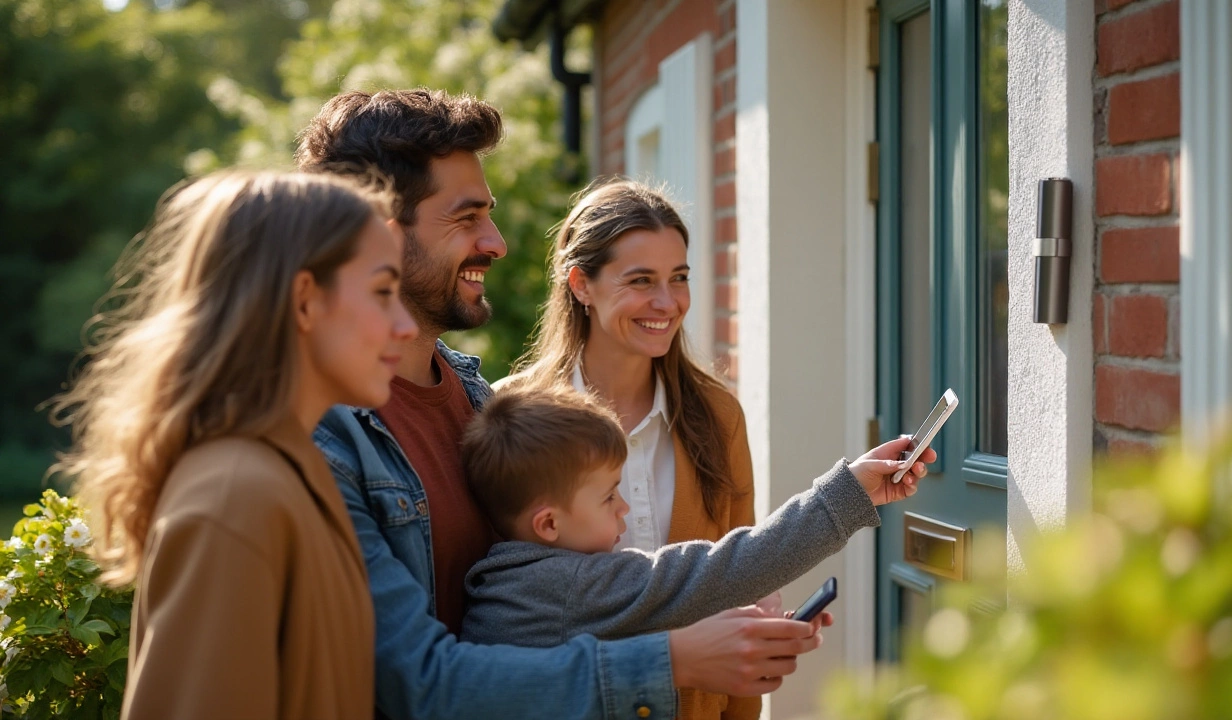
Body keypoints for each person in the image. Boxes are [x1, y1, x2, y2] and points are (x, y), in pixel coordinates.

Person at [299, 89, 846, 720]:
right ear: (379, 233)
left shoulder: (476, 405)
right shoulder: (324, 438)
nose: (497, 243)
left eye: (680, 277)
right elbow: (418, 682)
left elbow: (585, 600)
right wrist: (675, 659)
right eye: (466, 217)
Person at [53, 170, 418, 719]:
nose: (405, 325)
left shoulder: (289, 472)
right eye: (384, 292)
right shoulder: (236, 497)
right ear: (303, 301)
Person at [499, 176, 764, 718]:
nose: (666, 303)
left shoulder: (718, 417)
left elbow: (744, 578)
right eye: (641, 280)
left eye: (679, 278)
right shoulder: (511, 415)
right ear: (580, 285)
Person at [458, 386, 927, 676]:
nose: (623, 507)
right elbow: (717, 572)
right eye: (607, 497)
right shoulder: (571, 587)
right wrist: (847, 495)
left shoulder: (510, 583)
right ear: (549, 523)